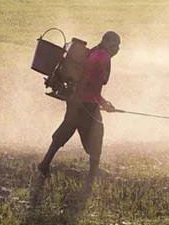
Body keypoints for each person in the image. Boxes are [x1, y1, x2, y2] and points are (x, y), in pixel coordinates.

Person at [37, 31, 121, 182]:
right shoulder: (103, 57)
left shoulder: (95, 51)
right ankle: (93, 173)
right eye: (117, 45)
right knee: (97, 133)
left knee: (67, 129)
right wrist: (104, 104)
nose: (118, 49)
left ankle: (44, 163)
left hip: (75, 100)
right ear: (111, 44)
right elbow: (92, 87)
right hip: (86, 104)